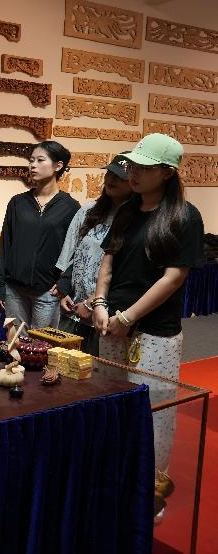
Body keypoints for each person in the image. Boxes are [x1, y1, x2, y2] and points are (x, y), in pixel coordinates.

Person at [92, 134, 204, 514]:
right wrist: (101, 304)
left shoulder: (184, 216)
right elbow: (108, 262)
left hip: (154, 332)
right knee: (111, 404)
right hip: (112, 323)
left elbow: (173, 277)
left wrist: (129, 316)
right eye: (132, 166)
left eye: (144, 167)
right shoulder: (127, 210)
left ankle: (149, 493)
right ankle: (113, 482)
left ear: (167, 173)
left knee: (154, 413)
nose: (133, 173)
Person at [0, 141, 80, 329]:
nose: (33, 165)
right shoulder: (17, 203)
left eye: (40, 160)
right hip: (14, 290)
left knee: (42, 344)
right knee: (16, 343)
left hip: (48, 291)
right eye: (31, 160)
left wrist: (64, 282)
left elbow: (76, 251)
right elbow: (5, 245)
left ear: (58, 166)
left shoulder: (71, 207)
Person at [53, 156, 132, 355]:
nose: (112, 180)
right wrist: (65, 288)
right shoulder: (89, 210)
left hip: (105, 311)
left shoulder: (135, 219)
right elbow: (75, 252)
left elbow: (126, 271)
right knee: (64, 363)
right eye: (110, 173)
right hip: (74, 308)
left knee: (97, 369)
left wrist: (91, 303)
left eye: (120, 177)